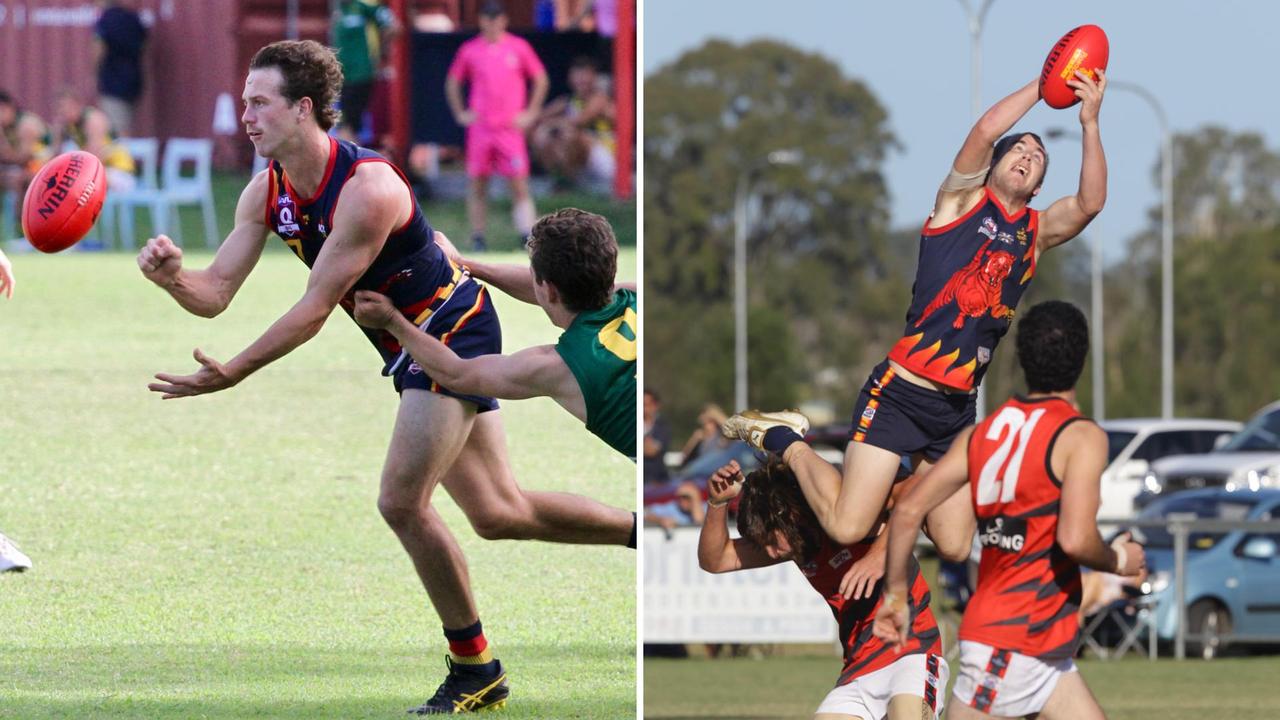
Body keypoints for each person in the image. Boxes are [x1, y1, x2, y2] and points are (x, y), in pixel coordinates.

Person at [136, 40, 633, 715]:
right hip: (407, 341)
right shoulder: (268, 189)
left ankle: (473, 668)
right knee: (498, 513)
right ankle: (643, 532)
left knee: (401, 500)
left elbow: (314, 309)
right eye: (246, 102)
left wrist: (235, 372)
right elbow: (215, 290)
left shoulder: (368, 188)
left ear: (303, 108)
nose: (245, 116)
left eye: (259, 102)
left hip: (450, 330)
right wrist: (173, 280)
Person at [724, 68, 1110, 578]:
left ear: (1038, 187)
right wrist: (1043, 88)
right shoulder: (961, 202)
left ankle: (892, 486)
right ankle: (784, 440)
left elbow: (1090, 203)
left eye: (1038, 158)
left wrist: (1089, 122)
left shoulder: (1033, 235)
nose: (1028, 156)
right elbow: (984, 133)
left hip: (955, 410)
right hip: (901, 394)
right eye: (1019, 150)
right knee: (846, 527)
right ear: (993, 166)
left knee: (953, 544)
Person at [873, 301, 1146, 720]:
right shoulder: (1080, 435)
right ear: (1082, 358)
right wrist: (1119, 559)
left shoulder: (984, 432)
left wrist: (895, 595)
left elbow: (909, 508)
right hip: (1012, 639)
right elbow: (1074, 539)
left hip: (1045, 649)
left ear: (1020, 358)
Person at [352, 207, 636, 460]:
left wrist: (392, 321)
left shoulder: (558, 367)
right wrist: (466, 266)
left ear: (548, 289)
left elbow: (456, 374)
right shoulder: (637, 295)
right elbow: (551, 286)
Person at [699, 458, 948, 720]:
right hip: (858, 670)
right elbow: (716, 560)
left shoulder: (852, 519)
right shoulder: (797, 546)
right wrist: (717, 502)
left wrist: (877, 555)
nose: (770, 552)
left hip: (912, 653)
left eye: (771, 540)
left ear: (791, 516)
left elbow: (915, 491)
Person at [445, 0, 548, 250]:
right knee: (478, 182)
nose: (492, 23)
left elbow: (540, 78)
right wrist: (461, 113)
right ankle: (478, 236)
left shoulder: (518, 47)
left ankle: (526, 233)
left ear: (504, 20)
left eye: (496, 17)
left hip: (509, 129)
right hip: (481, 129)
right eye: (487, 18)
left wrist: (531, 113)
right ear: (481, 20)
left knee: (519, 183)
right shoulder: (470, 50)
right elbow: (453, 81)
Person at [531, 56, 615, 187]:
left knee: (573, 135)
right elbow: (537, 117)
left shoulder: (599, 99)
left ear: (594, 77)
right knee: (542, 134)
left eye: (585, 75)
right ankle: (559, 178)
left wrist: (552, 124)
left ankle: (567, 180)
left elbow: (578, 121)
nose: (581, 79)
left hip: (607, 156)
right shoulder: (567, 101)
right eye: (577, 75)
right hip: (584, 161)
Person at [331, 0, 400, 143]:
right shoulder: (342, 10)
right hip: (343, 76)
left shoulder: (364, 7)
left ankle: (349, 160)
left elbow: (394, 27)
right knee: (346, 123)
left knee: (348, 124)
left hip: (361, 74)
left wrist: (382, 51)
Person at [51, 89, 137, 193]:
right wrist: (57, 134)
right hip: (102, 171)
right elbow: (55, 156)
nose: (61, 112)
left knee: (78, 183)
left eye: (63, 107)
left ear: (76, 105)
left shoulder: (93, 120)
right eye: (58, 108)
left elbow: (95, 157)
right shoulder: (69, 125)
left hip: (120, 172)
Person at [93, 0, 148, 137]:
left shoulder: (105, 20)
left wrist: (94, 73)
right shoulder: (133, 18)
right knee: (124, 124)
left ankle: (120, 158)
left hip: (113, 81)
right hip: (134, 81)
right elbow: (144, 46)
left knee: (115, 130)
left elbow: (99, 48)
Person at [0, 91, 51, 220]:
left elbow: (23, 158)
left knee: (21, 180)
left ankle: (24, 226)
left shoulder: (26, 124)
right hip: (26, 167)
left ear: (9, 107)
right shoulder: (6, 127)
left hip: (46, 166)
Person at [643, 388, 671, 485]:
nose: (643, 409)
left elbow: (652, 451)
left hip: (656, 480)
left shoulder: (662, 426)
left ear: (655, 405)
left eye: (646, 405)